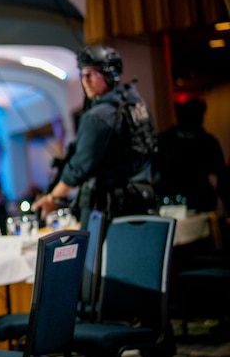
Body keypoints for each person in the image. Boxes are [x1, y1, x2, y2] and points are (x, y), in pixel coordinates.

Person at [32, 45, 158, 229]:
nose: (85, 81)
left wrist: (53, 197)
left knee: (94, 258)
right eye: (83, 74)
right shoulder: (137, 105)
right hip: (142, 202)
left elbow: (79, 168)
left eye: (91, 74)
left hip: (108, 212)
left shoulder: (98, 116)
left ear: (110, 74)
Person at [154, 98, 226, 213]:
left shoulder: (165, 139)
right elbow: (220, 177)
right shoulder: (208, 142)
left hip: (173, 206)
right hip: (198, 205)